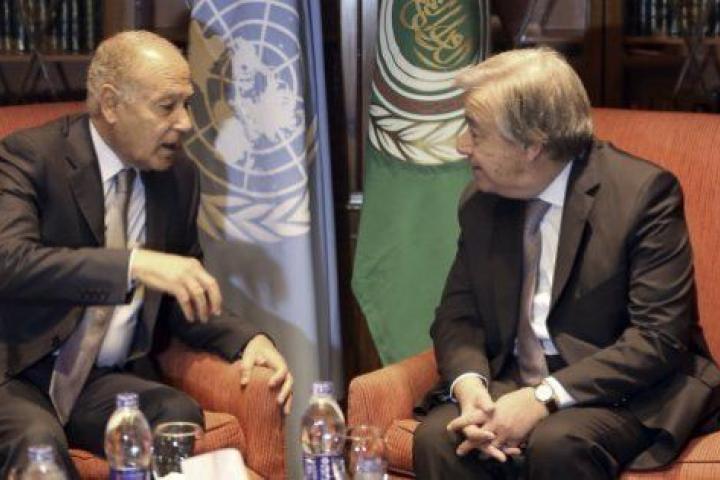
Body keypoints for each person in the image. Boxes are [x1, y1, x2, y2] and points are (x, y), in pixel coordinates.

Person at [413, 47, 720, 479]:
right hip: (511, 379)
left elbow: (658, 339)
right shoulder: (482, 202)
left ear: (531, 145)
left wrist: (543, 397)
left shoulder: (642, 195)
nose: (461, 146)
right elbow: (458, 316)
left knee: (558, 442)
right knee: (438, 437)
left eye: (476, 132)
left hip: (620, 389)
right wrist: (470, 387)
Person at [0, 30, 293, 478]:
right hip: (18, 373)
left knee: (175, 415)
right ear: (110, 104)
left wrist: (246, 340)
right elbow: (10, 262)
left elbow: (180, 292)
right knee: (38, 443)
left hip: (98, 381)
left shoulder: (177, 178)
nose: (185, 123)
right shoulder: (30, 156)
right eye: (166, 106)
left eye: (186, 104)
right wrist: (134, 265)